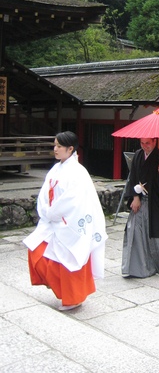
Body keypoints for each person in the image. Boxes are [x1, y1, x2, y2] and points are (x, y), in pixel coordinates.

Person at [23, 131, 107, 311]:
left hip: (70, 223)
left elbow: (73, 200)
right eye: (55, 145)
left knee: (70, 259)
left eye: (59, 146)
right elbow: (45, 193)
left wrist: (53, 212)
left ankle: (74, 297)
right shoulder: (56, 168)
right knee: (37, 249)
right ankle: (58, 287)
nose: (55, 149)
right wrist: (46, 210)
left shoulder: (78, 172)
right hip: (52, 219)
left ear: (70, 149)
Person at [122, 137, 159, 278]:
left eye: (148, 143)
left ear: (154, 141)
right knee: (134, 232)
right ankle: (138, 268)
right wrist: (135, 197)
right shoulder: (137, 155)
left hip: (156, 204)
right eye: (142, 143)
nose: (145, 146)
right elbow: (133, 177)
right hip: (140, 201)